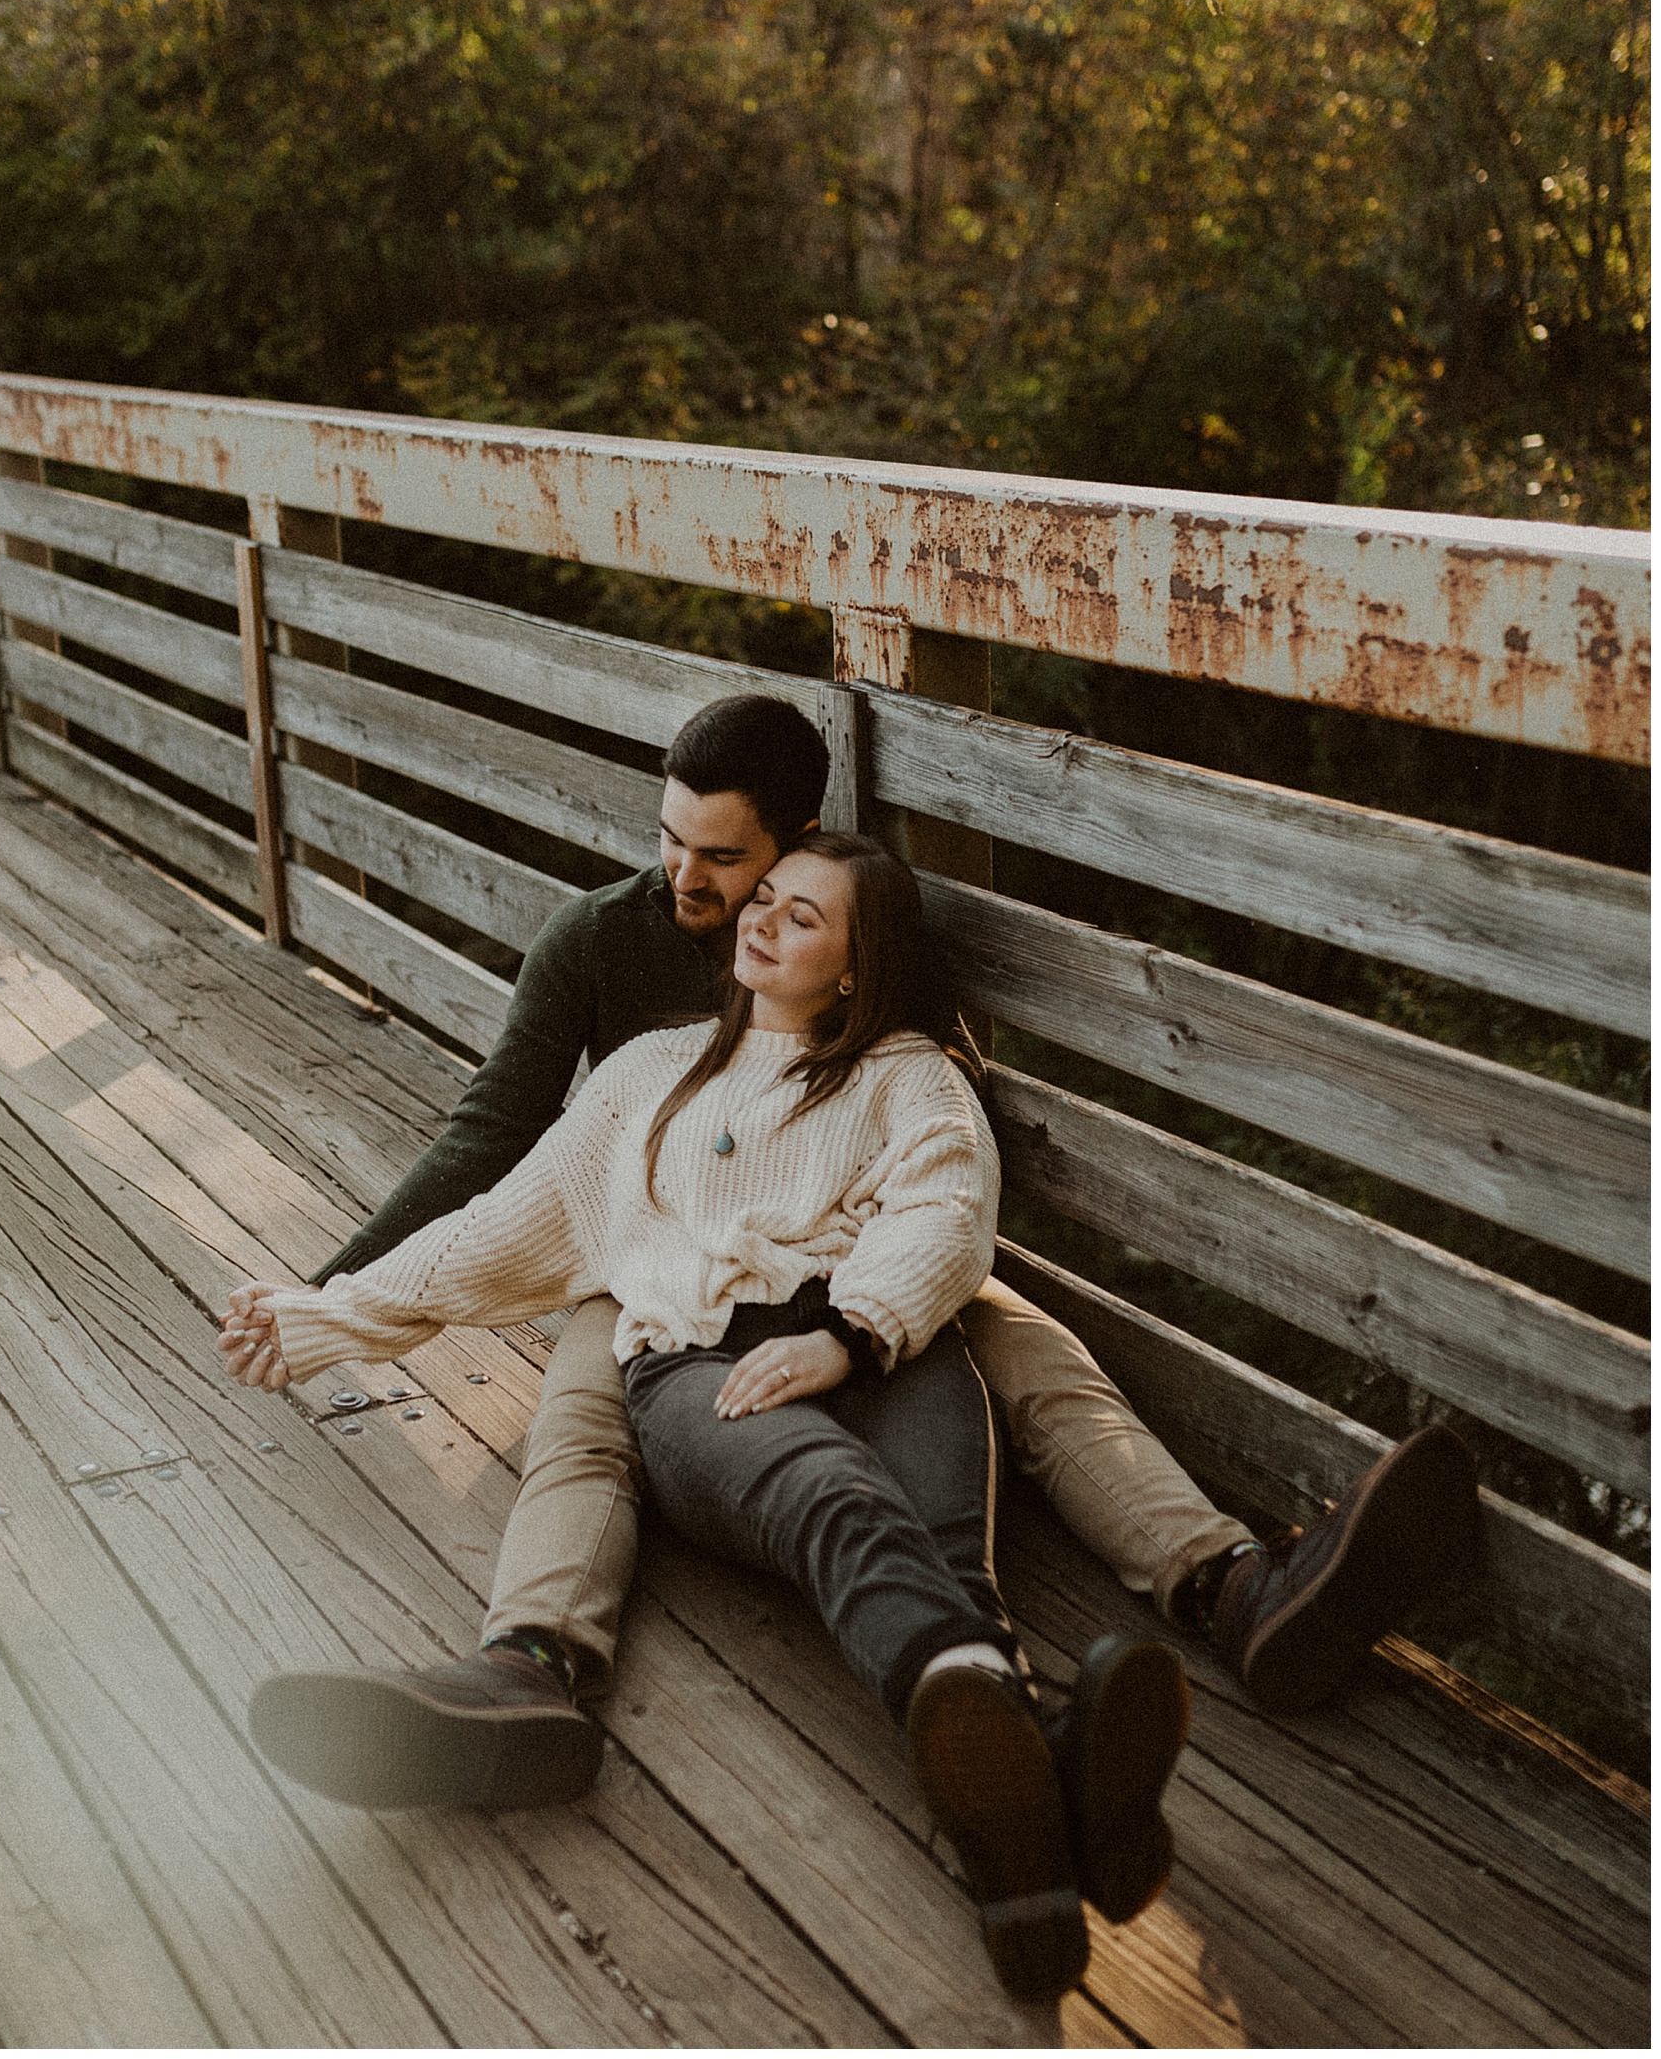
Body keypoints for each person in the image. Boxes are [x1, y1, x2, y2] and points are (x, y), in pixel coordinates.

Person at [233, 694, 1479, 1793]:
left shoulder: (856, 944)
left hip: (850, 1256)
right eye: (670, 841)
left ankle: (1236, 1590)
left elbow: (931, 1145)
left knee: (1035, 1354)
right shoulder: (602, 951)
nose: (689, 881)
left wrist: (865, 1310)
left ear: (801, 848)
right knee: (581, 1405)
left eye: (728, 860)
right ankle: (527, 1665)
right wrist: (326, 1297)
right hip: (652, 1257)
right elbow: (494, 1151)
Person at [222, 833, 1193, 2004]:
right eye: (764, 901)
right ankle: (1056, 1783)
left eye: (802, 917)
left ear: (854, 966)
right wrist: (326, 1314)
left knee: (948, 1545)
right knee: (837, 1501)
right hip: (695, 1360)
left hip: (871, 1344)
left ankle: (1022, 1870)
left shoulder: (909, 1075)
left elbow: (944, 1210)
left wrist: (845, 1335)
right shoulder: (649, 1074)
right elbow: (500, 1228)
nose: (761, 921)